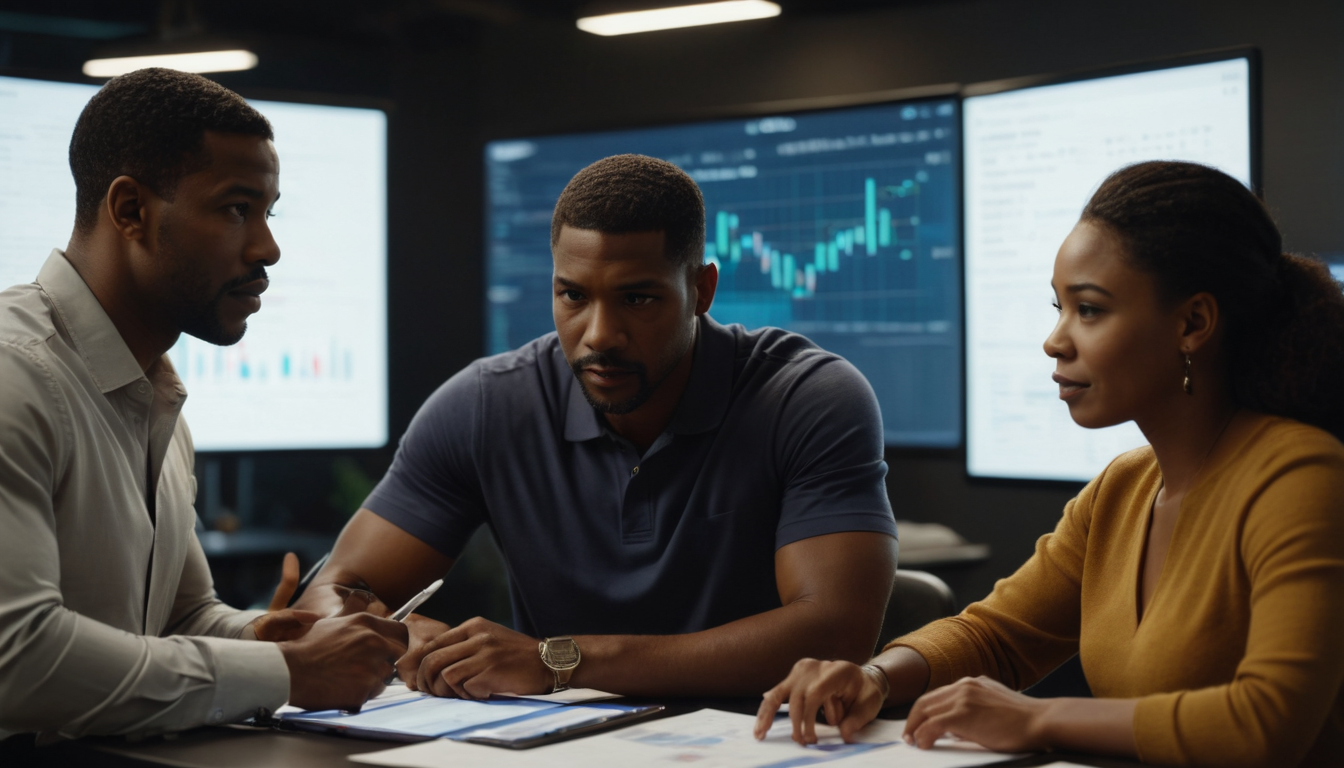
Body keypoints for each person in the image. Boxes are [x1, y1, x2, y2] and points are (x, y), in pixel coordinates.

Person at [756, 161, 1344, 768]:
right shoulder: (1125, 486)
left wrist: (1037, 716)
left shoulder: (1301, 476)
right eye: (1059, 307)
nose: (1055, 340)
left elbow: (1268, 723)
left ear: (1192, 322)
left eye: (1088, 310)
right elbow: (997, 635)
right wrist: (877, 677)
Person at [297, 154, 899, 699]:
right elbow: (333, 593)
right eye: (573, 296)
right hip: (556, 746)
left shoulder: (808, 397)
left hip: (753, 742)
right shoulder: (486, 404)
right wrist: (407, 636)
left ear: (701, 290)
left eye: (637, 299)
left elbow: (835, 632)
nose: (599, 335)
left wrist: (560, 660)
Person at [0, 68, 408, 747]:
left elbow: (180, 617)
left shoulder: (153, 394)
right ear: (129, 210)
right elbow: (17, 657)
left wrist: (269, 636)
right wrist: (282, 671)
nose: (267, 249)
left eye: (267, 213)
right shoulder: (16, 377)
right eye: (234, 209)